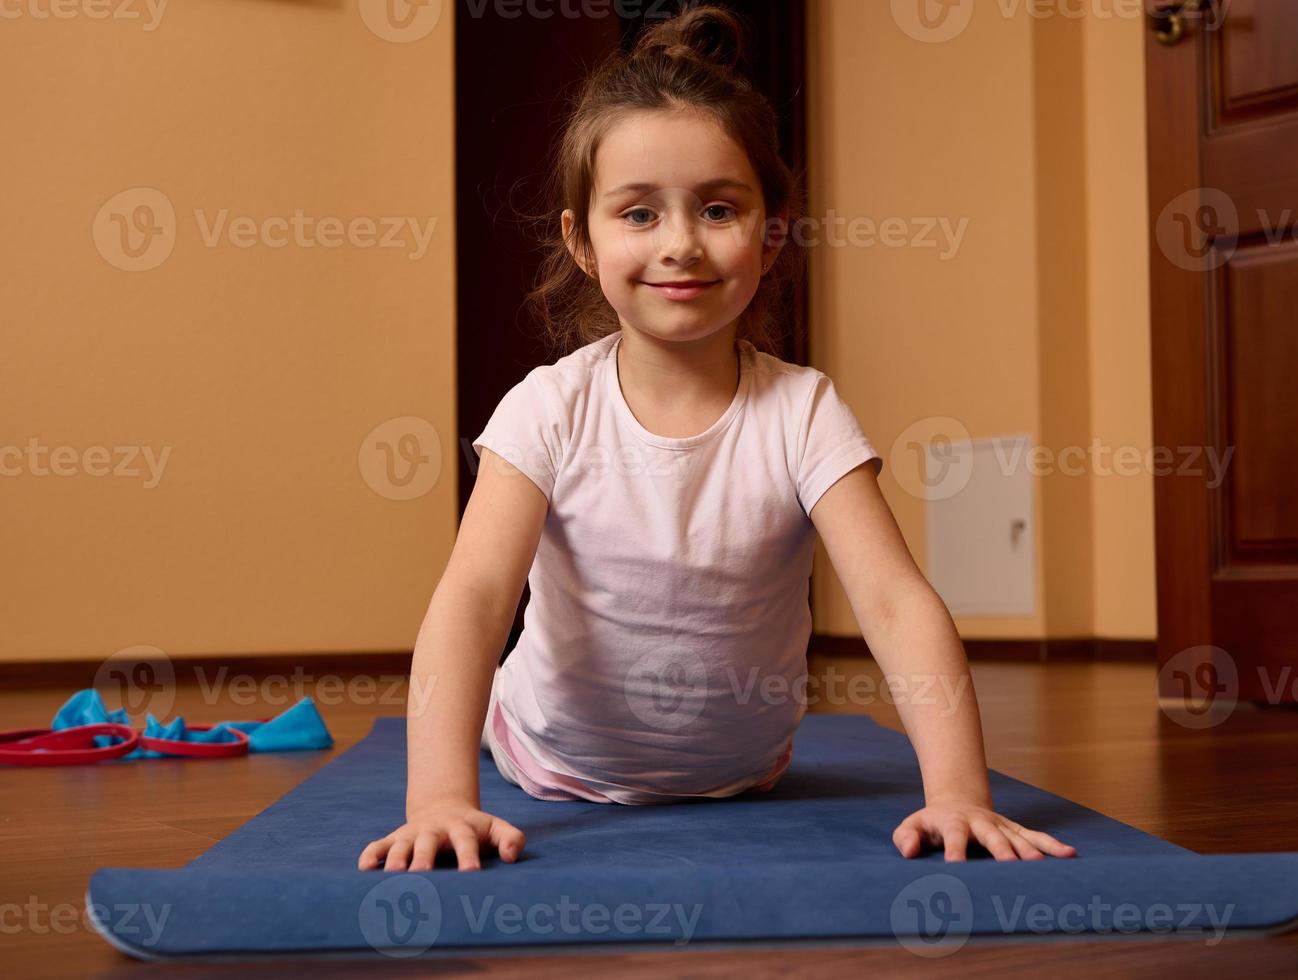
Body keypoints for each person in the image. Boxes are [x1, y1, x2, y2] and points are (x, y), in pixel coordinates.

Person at [359, 2, 1075, 873]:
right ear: (579, 240)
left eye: (717, 209)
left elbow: (894, 602)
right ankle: (485, 736)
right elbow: (474, 597)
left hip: (745, 770)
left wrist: (959, 793)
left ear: (771, 233)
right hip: (550, 757)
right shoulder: (546, 409)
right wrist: (438, 799)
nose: (681, 245)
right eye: (637, 214)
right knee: (500, 689)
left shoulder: (804, 412)